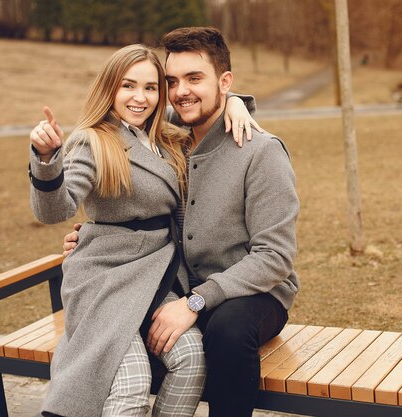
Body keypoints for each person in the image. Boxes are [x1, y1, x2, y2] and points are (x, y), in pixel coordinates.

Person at [64, 27, 300, 417]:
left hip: (252, 293)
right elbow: (128, 115)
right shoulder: (169, 138)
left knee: (225, 331)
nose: (180, 91)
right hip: (168, 287)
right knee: (130, 330)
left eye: (195, 78)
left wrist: (195, 301)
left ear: (224, 82)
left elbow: (274, 257)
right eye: (172, 81)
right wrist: (94, 236)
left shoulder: (261, 152)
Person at [28, 44, 255, 417]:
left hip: (157, 277)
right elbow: (57, 210)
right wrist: (47, 160)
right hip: (105, 280)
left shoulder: (165, 135)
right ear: (110, 89)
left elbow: (201, 105)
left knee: (192, 359)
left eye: (151, 88)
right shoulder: (93, 140)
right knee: (131, 385)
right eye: (128, 86)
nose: (140, 97)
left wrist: (234, 102)